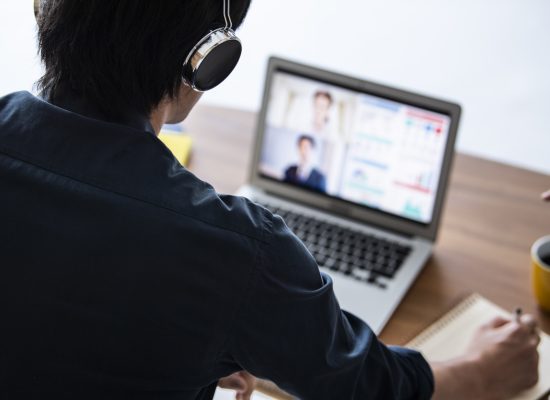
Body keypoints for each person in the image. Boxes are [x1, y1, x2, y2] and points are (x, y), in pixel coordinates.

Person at [0, 1, 540, 399]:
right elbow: (367, 385)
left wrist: (187, 342)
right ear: (206, 60)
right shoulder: (236, 251)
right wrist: (480, 371)